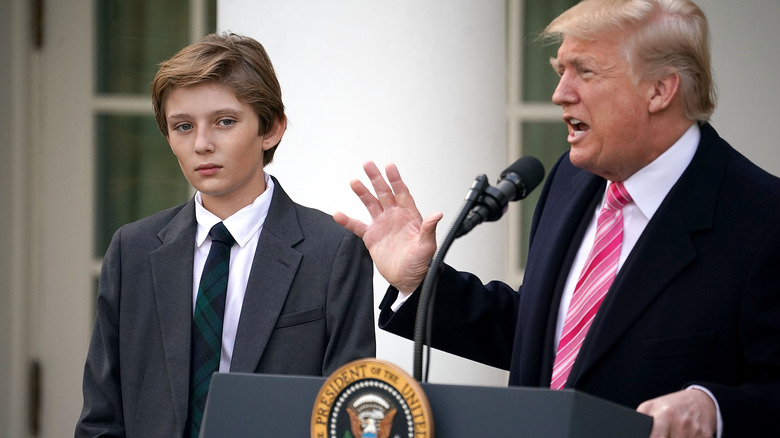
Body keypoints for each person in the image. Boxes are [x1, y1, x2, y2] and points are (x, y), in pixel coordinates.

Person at [334, 0, 780, 436]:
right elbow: (543, 335)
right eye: (558, 70)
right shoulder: (570, 179)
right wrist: (421, 281)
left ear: (660, 90)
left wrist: (715, 408)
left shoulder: (763, 220)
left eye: (584, 71)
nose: (559, 94)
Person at [76, 33, 376, 437]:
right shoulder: (132, 250)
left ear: (270, 129)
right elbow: (101, 416)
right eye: (183, 126)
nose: (202, 144)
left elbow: (348, 419)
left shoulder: (334, 250)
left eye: (225, 121)